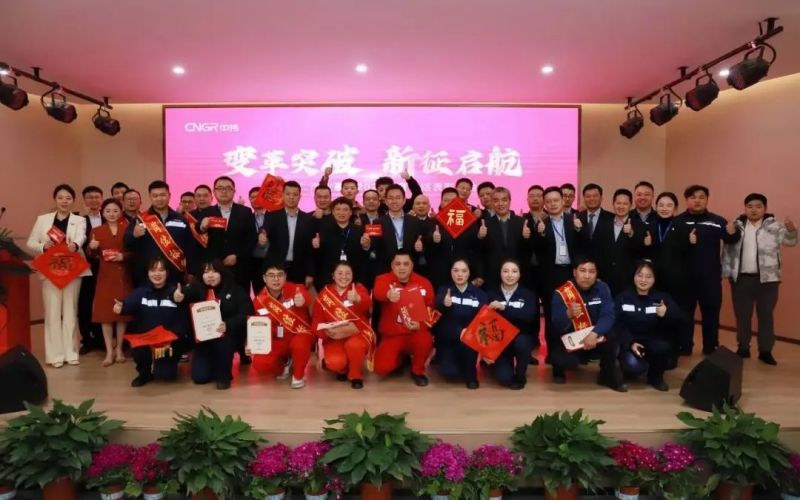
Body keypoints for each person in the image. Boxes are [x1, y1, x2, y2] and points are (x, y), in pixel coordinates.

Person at [722, 193, 797, 365]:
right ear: (745, 208)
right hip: (741, 280)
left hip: (768, 280)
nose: (754, 210)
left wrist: (792, 230)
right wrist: (727, 272)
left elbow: (790, 241)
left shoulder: (775, 227)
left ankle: (765, 351)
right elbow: (727, 249)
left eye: (758, 206)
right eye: (750, 206)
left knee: (766, 316)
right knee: (742, 316)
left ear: (765, 208)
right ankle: (743, 348)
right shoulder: (737, 226)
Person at [27, 184, 90, 368]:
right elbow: (31, 242)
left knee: (70, 311)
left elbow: (81, 237)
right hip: (50, 270)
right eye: (61, 198)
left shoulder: (79, 220)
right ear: (55, 199)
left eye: (68, 198)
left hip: (72, 269)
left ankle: (71, 353)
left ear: (73, 201)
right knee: (52, 312)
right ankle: (55, 355)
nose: (64, 201)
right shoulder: (43, 220)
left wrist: (75, 245)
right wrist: (43, 246)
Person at [675, 185, 741, 355]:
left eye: (701, 197)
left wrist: (734, 232)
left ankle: (710, 347)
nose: (697, 200)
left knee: (711, 314)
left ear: (707, 200)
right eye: (693, 197)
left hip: (710, 278)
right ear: (686, 200)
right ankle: (685, 346)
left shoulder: (716, 220)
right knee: (685, 315)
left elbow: (731, 238)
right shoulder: (678, 221)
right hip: (685, 278)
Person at [549, 257, 626, 392]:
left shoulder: (602, 288)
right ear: (575, 272)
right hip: (571, 340)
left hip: (594, 337)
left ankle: (607, 375)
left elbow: (608, 315)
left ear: (596, 274)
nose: (587, 276)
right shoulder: (561, 292)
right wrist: (568, 314)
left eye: (591, 272)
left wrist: (594, 333)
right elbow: (556, 324)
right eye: (582, 271)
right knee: (564, 360)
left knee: (612, 334)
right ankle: (558, 371)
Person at [114, 257, 188, 387]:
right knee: (139, 351)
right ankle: (144, 374)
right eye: (153, 270)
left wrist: (181, 299)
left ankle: (167, 363)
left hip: (169, 342)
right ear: (148, 273)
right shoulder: (141, 291)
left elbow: (183, 321)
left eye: (161, 270)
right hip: (146, 339)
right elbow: (127, 306)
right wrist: (121, 309)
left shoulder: (175, 292)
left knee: (165, 374)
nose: (157, 274)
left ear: (167, 273)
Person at [614, 260, 686, 391]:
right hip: (631, 343)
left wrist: (667, 313)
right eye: (640, 275)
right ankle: (633, 369)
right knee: (633, 365)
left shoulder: (661, 298)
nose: (643, 280)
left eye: (648, 276)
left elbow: (679, 319)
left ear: (654, 279)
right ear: (634, 276)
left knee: (663, 349)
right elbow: (617, 324)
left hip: (653, 341)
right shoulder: (623, 298)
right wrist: (630, 343)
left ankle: (655, 377)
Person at [182, 260, 253, 390]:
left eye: (214, 271)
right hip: (204, 339)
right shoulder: (196, 288)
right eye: (206, 272)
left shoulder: (235, 289)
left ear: (221, 273)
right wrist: (176, 296)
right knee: (199, 378)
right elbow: (182, 293)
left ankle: (224, 375)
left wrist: (228, 324)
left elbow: (247, 313)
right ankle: (213, 365)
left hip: (227, 335)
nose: (210, 275)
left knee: (224, 346)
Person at [372, 250, 435, 386]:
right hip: (393, 334)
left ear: (412, 266)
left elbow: (432, 309)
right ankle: (400, 360)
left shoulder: (424, 283)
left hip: (416, 332)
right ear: (392, 266)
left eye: (406, 264)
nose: (402, 268)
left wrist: (421, 324)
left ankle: (417, 371)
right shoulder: (383, 279)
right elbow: (377, 292)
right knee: (381, 368)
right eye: (398, 264)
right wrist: (388, 294)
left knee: (425, 340)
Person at [644, 192, 696, 356]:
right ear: (656, 207)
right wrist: (646, 245)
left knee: (680, 313)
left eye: (669, 205)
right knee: (659, 313)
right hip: (657, 280)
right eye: (661, 205)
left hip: (679, 280)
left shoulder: (683, 227)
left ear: (675, 208)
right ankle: (664, 344)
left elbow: (689, 255)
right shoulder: (650, 226)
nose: (664, 208)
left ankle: (684, 345)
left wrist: (692, 243)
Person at [532, 186, 585, 341]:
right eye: (548, 201)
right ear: (544, 204)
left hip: (572, 273)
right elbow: (536, 251)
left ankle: (575, 347)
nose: (552, 204)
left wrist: (580, 230)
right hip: (550, 275)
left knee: (575, 310)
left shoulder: (574, 221)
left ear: (563, 201)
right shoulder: (540, 224)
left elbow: (586, 247)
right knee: (551, 313)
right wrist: (540, 234)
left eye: (556, 200)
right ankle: (553, 350)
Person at [251, 264, 315, 389]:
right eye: (271, 275)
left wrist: (302, 300)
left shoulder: (296, 289)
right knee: (260, 364)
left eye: (280, 275)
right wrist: (251, 344)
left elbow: (306, 297)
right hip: (277, 339)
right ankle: (284, 365)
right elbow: (257, 327)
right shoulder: (259, 301)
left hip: (298, 334)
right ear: (264, 278)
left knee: (300, 344)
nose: (276, 279)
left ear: (285, 276)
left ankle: (298, 376)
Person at [311, 262, 374, 389]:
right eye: (340, 273)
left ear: (352, 275)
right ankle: (342, 369)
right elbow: (316, 323)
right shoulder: (324, 295)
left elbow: (368, 304)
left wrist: (357, 299)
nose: (344, 277)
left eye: (347, 273)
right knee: (335, 362)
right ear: (333, 276)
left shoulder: (358, 289)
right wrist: (325, 332)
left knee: (354, 346)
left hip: (357, 333)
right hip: (335, 337)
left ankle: (355, 375)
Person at [86, 199, 133, 366]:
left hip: (123, 274)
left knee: (121, 315)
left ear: (121, 212)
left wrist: (123, 256)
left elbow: (135, 251)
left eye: (115, 211)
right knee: (105, 314)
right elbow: (91, 254)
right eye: (108, 211)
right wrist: (92, 247)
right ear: (102, 212)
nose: (111, 214)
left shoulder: (128, 229)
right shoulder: (97, 230)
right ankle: (109, 352)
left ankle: (119, 349)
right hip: (105, 276)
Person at [124, 181, 195, 285]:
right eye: (155, 196)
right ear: (150, 197)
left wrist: (191, 271)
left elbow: (190, 247)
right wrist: (133, 236)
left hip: (175, 275)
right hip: (147, 276)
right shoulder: (140, 219)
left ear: (169, 196)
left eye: (162, 195)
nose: (159, 199)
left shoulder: (181, 219)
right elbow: (126, 245)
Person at [196, 176, 257, 292]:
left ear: (234, 191)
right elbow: (199, 228)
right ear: (214, 192)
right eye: (220, 188)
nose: (224, 191)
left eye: (228, 188)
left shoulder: (245, 211)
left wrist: (237, 256)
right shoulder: (207, 211)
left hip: (240, 267)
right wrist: (203, 226)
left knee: (240, 297)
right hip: (215, 268)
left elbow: (252, 238)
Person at [433, 259, 487, 389]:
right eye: (456, 270)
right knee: (450, 373)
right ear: (451, 272)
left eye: (464, 271)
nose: (459, 274)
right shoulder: (443, 291)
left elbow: (484, 321)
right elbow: (438, 316)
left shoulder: (480, 294)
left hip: (470, 340)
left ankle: (471, 374)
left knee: (467, 357)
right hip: (449, 339)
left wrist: (468, 332)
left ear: (469, 273)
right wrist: (444, 304)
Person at [486, 259, 539, 389]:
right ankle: (499, 364)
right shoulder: (490, 294)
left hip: (522, 338)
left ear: (520, 274)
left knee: (522, 342)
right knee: (505, 378)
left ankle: (521, 375)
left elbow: (528, 316)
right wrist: (485, 351)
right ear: (500, 273)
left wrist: (504, 308)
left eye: (514, 271)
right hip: (499, 342)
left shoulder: (529, 294)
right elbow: (484, 323)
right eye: (505, 271)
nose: (510, 275)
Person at [260, 181, 316, 288]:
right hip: (276, 268)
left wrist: (310, 273)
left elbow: (309, 250)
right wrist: (261, 236)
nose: (291, 197)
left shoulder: (308, 219)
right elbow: (264, 231)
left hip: (299, 269)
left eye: (295, 194)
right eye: (288, 194)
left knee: (297, 297)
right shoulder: (272, 216)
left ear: (300, 197)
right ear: (282, 195)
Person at [590, 188, 644, 296]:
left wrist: (631, 234)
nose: (621, 206)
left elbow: (641, 251)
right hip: (604, 280)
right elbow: (596, 251)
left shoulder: (638, 225)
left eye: (625, 204)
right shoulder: (603, 224)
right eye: (618, 203)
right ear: (613, 204)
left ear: (631, 206)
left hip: (627, 280)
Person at [427, 188, 484, 290]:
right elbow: (427, 247)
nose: (450, 204)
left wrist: (479, 274)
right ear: (441, 203)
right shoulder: (433, 222)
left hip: (464, 274)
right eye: (446, 200)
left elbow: (477, 250)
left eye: (453, 201)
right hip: (439, 276)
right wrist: (434, 240)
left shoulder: (469, 222)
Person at [480, 187, 532, 290]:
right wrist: (480, 237)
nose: (500, 204)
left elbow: (528, 252)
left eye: (504, 200)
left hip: (517, 275)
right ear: (492, 202)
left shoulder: (522, 222)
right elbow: (480, 252)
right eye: (496, 200)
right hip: (492, 276)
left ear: (509, 201)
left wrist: (527, 238)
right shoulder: (485, 223)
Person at [313, 197, 370, 288]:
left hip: (354, 278)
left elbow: (364, 258)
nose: (341, 213)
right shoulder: (323, 230)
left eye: (345, 210)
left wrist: (366, 246)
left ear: (350, 212)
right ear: (333, 212)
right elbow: (318, 258)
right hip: (327, 279)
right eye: (338, 209)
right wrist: (316, 247)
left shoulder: (360, 231)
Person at [78, 185, 105, 354]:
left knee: (102, 303)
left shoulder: (109, 218)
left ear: (102, 199)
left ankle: (102, 339)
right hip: (85, 268)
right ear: (85, 200)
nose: (94, 200)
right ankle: (87, 339)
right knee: (85, 303)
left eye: (96, 197)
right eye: (90, 197)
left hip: (105, 267)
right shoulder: (79, 221)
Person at [374, 184, 424, 273]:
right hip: (386, 269)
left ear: (404, 200)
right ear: (386, 201)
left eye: (398, 198)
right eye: (391, 198)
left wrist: (420, 248)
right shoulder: (377, 222)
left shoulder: (415, 221)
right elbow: (374, 247)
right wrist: (366, 245)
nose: (394, 201)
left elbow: (421, 245)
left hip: (410, 269)